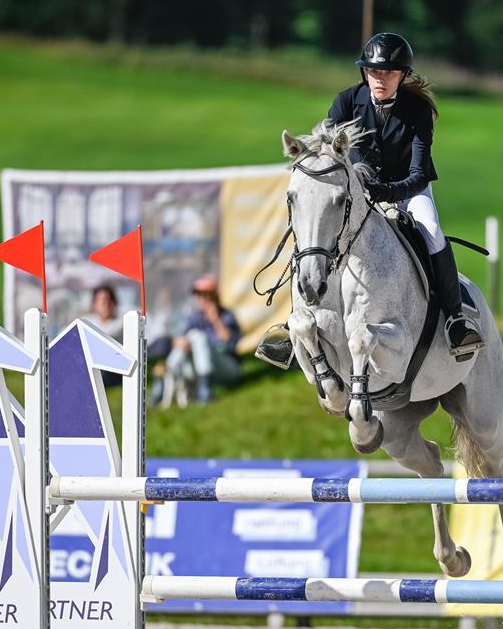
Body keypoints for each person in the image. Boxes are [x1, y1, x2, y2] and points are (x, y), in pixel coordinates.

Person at [256, 32, 483, 368]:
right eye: (375, 72)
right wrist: (359, 186)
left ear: (402, 75)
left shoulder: (417, 110)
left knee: (431, 230)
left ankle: (455, 320)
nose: (381, 79)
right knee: (319, 235)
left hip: (408, 190)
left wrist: (389, 192)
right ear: (365, 72)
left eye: (390, 73)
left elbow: (419, 172)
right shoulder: (346, 101)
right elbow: (328, 153)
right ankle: (292, 329)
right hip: (358, 193)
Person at [162, 276, 241, 406]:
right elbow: (179, 342)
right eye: (198, 295)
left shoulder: (226, 315)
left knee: (197, 337)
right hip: (203, 367)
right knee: (192, 339)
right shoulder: (194, 317)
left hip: (227, 366)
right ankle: (200, 388)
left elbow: (229, 342)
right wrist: (183, 343)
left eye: (204, 295)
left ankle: (168, 378)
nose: (201, 299)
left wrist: (215, 320)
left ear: (214, 296)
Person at [83, 285, 124, 387]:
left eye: (109, 300)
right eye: (102, 301)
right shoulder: (86, 321)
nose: (106, 304)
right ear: (94, 305)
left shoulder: (121, 323)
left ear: (114, 303)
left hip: (112, 370)